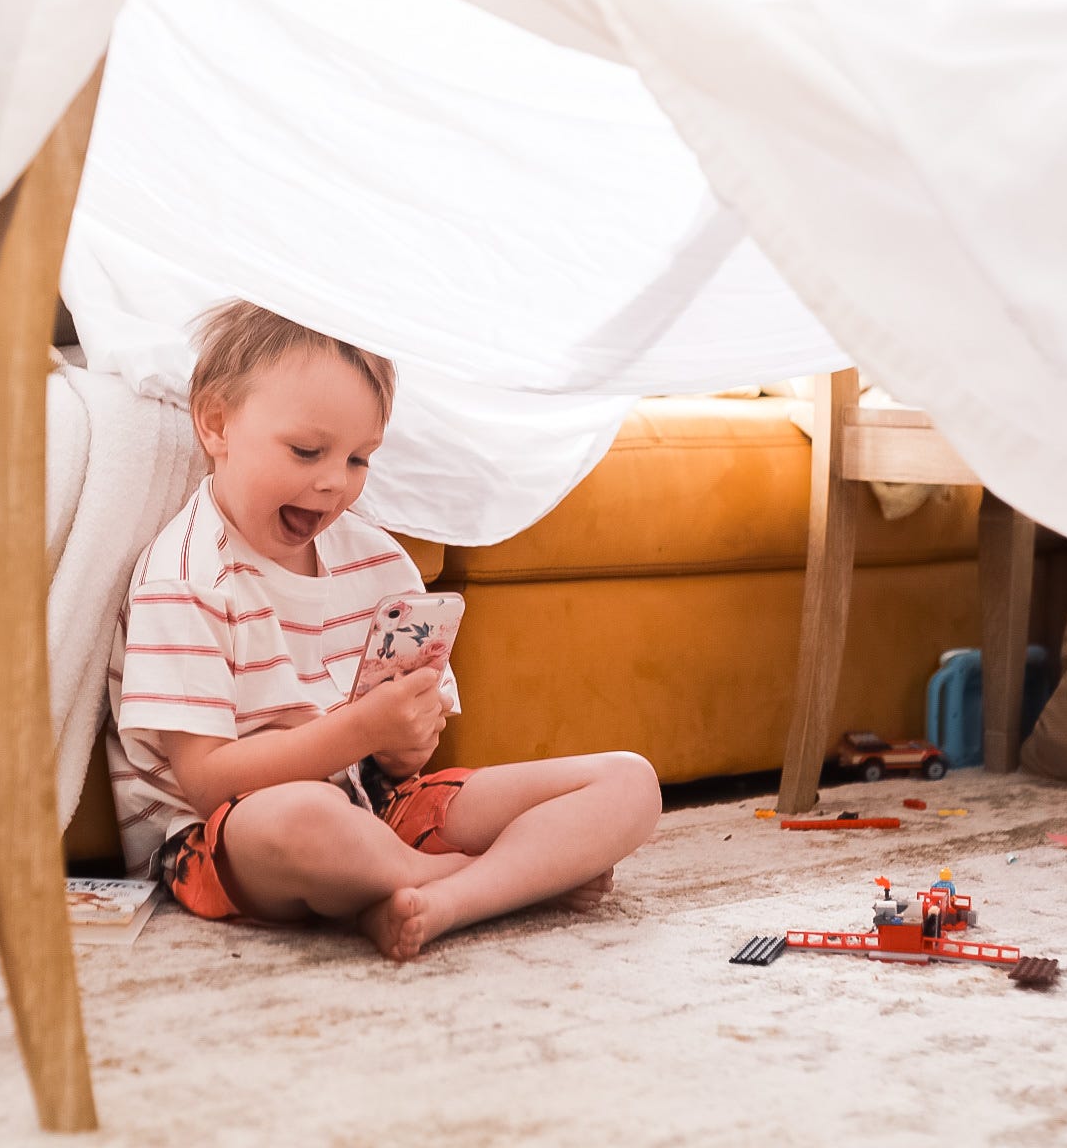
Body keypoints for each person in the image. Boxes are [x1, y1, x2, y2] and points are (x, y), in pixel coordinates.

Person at [106, 299, 662, 960]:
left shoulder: (377, 560)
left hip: (375, 811)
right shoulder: (186, 576)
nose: (333, 484)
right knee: (301, 819)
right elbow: (207, 782)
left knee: (629, 783)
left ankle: (434, 900)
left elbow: (403, 766)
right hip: (227, 836)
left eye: (359, 459)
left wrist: (401, 742)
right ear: (217, 423)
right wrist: (361, 728)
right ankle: (510, 882)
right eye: (308, 451)